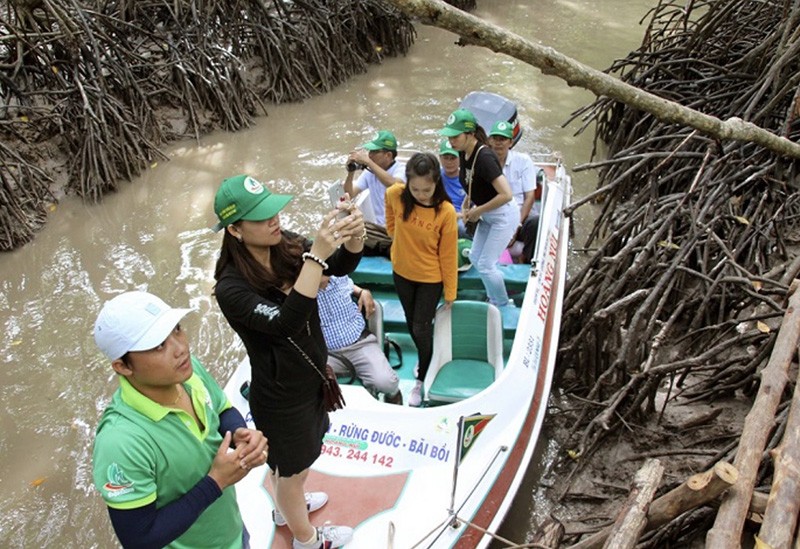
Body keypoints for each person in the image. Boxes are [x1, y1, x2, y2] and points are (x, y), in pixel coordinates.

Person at [212, 174, 364, 549]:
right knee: (292, 470)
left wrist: (354, 235)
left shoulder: (285, 245)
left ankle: (287, 508)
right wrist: (315, 258)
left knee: (294, 466)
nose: (274, 220)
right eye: (261, 217)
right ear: (234, 229)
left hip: (311, 379)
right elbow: (286, 323)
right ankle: (307, 539)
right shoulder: (231, 287)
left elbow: (339, 265)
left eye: (273, 210)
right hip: (281, 398)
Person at [91, 290, 268, 549]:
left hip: (234, 534)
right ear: (123, 366)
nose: (181, 348)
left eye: (176, 330)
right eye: (158, 345)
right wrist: (216, 481)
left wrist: (239, 433)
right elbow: (139, 538)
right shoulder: (121, 442)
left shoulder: (188, 371)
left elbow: (221, 410)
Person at [385, 152, 458, 407]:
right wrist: (393, 232)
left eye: (426, 190)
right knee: (411, 321)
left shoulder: (445, 212)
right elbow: (389, 209)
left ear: (437, 182)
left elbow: (448, 255)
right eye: (415, 189)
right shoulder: (397, 194)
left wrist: (450, 292)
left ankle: (421, 378)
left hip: (430, 278)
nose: (421, 195)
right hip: (401, 272)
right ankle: (426, 354)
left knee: (420, 327)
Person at [440, 108, 519, 307]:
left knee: (486, 264)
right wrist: (468, 201)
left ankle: (503, 303)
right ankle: (493, 296)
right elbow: (473, 180)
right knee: (475, 257)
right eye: (449, 137)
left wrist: (477, 210)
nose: (451, 141)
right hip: (486, 214)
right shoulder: (463, 152)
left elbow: (506, 194)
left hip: (503, 215)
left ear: (470, 134)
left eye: (455, 136)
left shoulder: (485, 157)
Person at [317, 274, 402, 405]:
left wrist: (363, 292)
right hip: (325, 353)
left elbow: (350, 286)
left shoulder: (339, 277)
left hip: (359, 344)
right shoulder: (299, 288)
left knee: (386, 382)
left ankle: (394, 396)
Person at [488, 120, 541, 262]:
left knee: (535, 223)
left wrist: (516, 226)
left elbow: (529, 197)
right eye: (495, 138)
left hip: (520, 216)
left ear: (510, 142)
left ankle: (528, 262)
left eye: (503, 139)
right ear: (490, 141)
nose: (498, 143)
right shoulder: (484, 162)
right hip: (495, 215)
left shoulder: (523, 161)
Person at [344, 130, 407, 227]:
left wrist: (368, 162)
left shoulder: (401, 170)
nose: (370, 155)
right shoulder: (369, 173)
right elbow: (350, 194)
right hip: (381, 227)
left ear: (388, 155)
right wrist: (351, 172)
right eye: (370, 151)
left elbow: (395, 185)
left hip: (401, 227)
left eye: (374, 152)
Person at [439, 138, 470, 239]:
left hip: (460, 217)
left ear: (460, 158)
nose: (449, 162)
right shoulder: (435, 176)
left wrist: (461, 215)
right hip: (440, 214)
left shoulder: (467, 178)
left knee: (461, 228)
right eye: (446, 158)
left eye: (453, 158)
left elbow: (473, 205)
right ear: (440, 158)